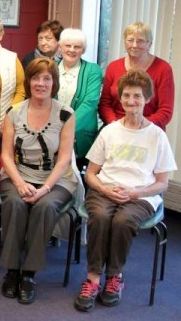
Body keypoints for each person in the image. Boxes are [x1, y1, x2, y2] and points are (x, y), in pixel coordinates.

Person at [74, 70, 177, 312]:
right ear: (120, 99)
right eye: (127, 96)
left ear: (147, 99)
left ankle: (114, 276)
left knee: (122, 220)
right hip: (104, 189)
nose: (132, 101)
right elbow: (90, 173)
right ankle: (93, 279)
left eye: (137, 96)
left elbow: (162, 183)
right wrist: (103, 187)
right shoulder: (109, 131)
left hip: (141, 194)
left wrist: (134, 193)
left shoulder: (157, 136)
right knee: (100, 216)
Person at [0, 58, 78, 305]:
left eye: (46, 78)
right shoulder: (14, 112)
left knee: (45, 206)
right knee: (14, 203)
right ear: (28, 81)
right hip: (18, 174)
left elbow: (64, 159)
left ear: (54, 83)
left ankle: (29, 274)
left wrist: (44, 188)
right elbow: (6, 156)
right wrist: (20, 183)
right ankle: (12, 270)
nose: (40, 83)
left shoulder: (66, 113)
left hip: (56, 179)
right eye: (35, 78)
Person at [99, 22, 175, 130]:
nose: (134, 45)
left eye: (140, 41)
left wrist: (140, 127)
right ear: (125, 42)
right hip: (115, 128)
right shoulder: (113, 67)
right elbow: (105, 104)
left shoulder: (163, 69)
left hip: (149, 129)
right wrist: (116, 125)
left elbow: (165, 111)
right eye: (130, 40)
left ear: (149, 44)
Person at [56, 28, 103, 172]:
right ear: (60, 47)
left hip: (80, 134)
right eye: (67, 45)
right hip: (51, 133)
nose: (72, 50)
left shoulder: (93, 70)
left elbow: (90, 103)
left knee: (78, 179)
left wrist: (65, 130)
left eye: (77, 47)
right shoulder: (49, 67)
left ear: (83, 50)